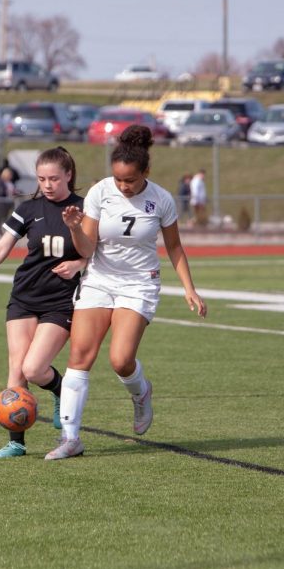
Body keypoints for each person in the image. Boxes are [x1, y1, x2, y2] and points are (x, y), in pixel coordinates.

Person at [45, 125, 208, 460]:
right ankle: (70, 438)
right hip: (99, 280)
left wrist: (189, 289)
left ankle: (141, 393)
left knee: (120, 360)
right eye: (118, 179)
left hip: (139, 284)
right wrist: (76, 227)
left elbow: (175, 247)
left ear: (145, 172)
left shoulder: (161, 199)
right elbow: (87, 248)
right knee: (80, 357)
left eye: (130, 181)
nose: (123, 186)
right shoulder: (99, 193)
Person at [0, 147, 87, 458]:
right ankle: (16, 442)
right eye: (41, 178)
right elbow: (0, 249)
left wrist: (79, 264)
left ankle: (58, 389)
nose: (48, 184)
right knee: (16, 371)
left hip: (60, 300)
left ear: (68, 175)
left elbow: (98, 252)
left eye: (53, 178)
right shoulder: (28, 209)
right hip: (24, 296)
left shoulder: (84, 208)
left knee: (35, 368)